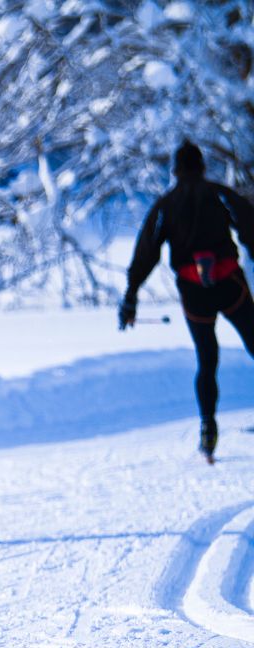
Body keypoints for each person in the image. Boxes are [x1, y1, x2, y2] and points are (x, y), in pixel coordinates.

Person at [120, 140, 254, 462]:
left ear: (175, 170)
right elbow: (251, 227)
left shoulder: (166, 205)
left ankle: (208, 430)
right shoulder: (220, 194)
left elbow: (146, 253)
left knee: (207, 360)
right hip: (230, 285)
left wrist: (131, 296)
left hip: (195, 294)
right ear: (202, 166)